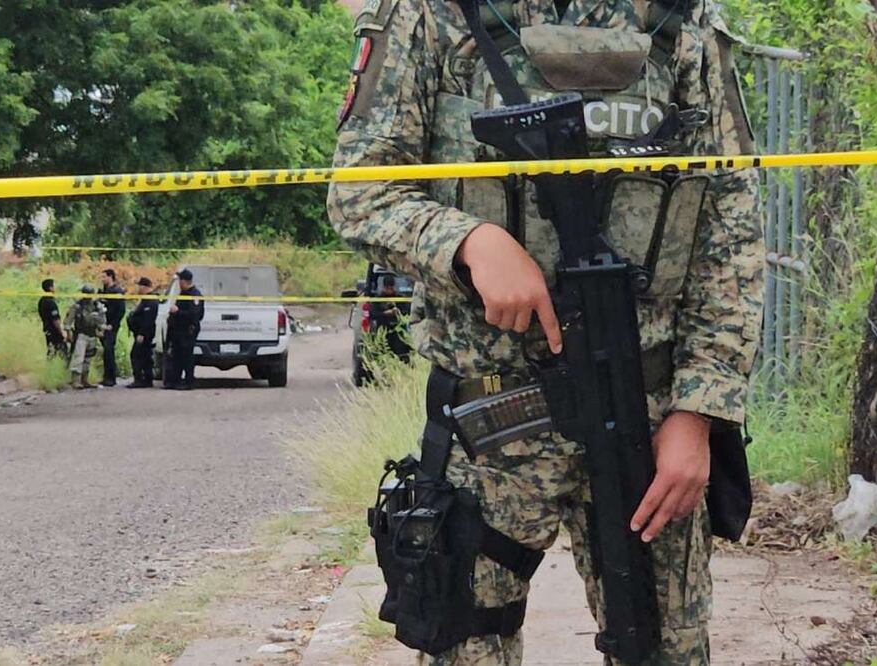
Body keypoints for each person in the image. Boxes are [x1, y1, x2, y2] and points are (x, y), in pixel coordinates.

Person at [327, 0, 763, 661]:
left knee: (662, 646)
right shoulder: (428, 12)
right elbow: (358, 191)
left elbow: (730, 221)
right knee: (465, 642)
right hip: (487, 420)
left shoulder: (680, 14)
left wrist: (700, 408)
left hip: (642, 412)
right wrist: (466, 241)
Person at [163, 269, 204, 390]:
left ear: (184, 281)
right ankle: (175, 381)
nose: (179, 283)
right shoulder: (183, 293)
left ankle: (188, 381)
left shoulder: (195, 295)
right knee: (177, 356)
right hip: (178, 330)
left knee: (187, 357)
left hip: (188, 330)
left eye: (180, 280)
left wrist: (178, 311)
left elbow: (195, 314)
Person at [64, 284, 109, 389]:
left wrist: (101, 330)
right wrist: (68, 333)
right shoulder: (77, 306)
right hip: (81, 334)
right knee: (78, 358)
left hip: (92, 334)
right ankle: (75, 380)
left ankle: (85, 380)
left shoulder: (97, 306)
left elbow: (102, 320)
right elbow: (68, 321)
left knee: (88, 358)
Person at [126, 277, 159, 388]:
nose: (138, 288)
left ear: (144, 287)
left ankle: (139, 379)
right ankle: (147, 379)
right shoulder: (145, 299)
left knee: (136, 355)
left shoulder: (151, 301)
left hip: (144, 334)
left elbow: (148, 320)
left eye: (139, 286)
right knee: (145, 356)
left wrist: (142, 333)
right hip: (140, 333)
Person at [370, 275, 411, 364]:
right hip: (383, 330)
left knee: (402, 354)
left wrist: (397, 312)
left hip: (398, 332)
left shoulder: (400, 298)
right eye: (387, 288)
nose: (389, 290)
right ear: (384, 287)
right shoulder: (378, 299)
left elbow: (407, 312)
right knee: (381, 354)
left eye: (391, 288)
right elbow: (372, 314)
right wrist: (385, 313)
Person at [99, 268, 126, 387]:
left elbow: (121, 310)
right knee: (105, 352)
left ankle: (111, 378)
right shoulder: (103, 291)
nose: (102, 279)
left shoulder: (117, 291)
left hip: (111, 326)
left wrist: (113, 325)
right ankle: (106, 377)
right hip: (102, 325)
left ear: (110, 277)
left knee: (109, 351)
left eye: (104, 277)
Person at [38, 279, 68, 358]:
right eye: (55, 285)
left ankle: (51, 367)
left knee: (51, 351)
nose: (56, 287)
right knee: (62, 353)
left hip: (47, 329)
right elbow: (55, 320)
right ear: (51, 288)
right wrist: (62, 332)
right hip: (54, 331)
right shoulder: (50, 302)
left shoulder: (42, 300)